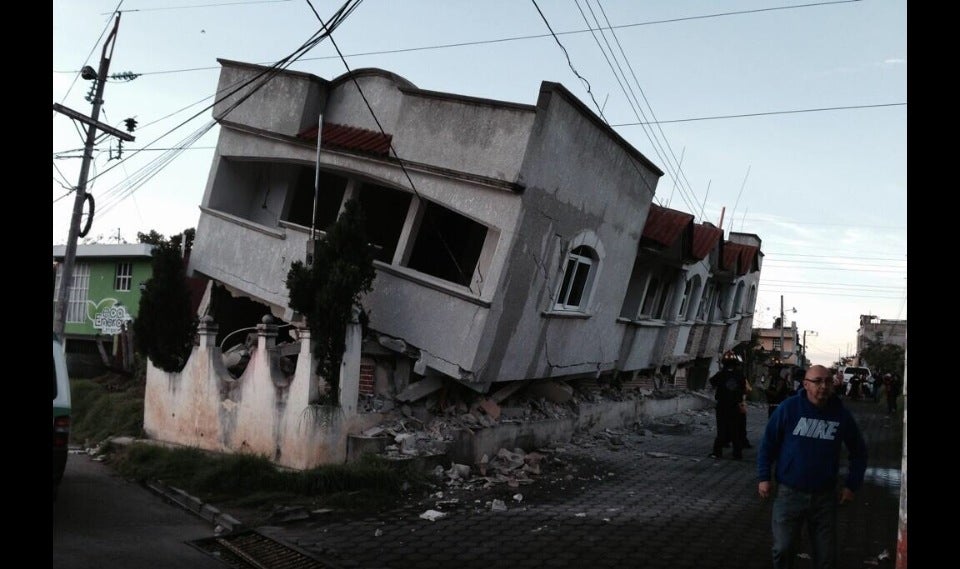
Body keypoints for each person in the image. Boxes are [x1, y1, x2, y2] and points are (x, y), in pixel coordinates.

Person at [757, 364, 868, 569]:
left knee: (826, 556)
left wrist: (851, 485)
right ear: (805, 384)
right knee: (783, 548)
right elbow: (768, 444)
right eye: (817, 381)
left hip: (824, 496)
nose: (823, 386)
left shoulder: (841, 415)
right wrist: (764, 477)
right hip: (790, 494)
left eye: (828, 381)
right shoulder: (789, 409)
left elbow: (859, 452)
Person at [708, 353, 748, 460]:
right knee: (735, 430)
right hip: (735, 406)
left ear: (723, 363)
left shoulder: (720, 374)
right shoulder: (740, 375)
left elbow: (712, 382)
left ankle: (717, 452)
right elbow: (744, 389)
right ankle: (737, 454)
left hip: (722, 406)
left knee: (721, 430)